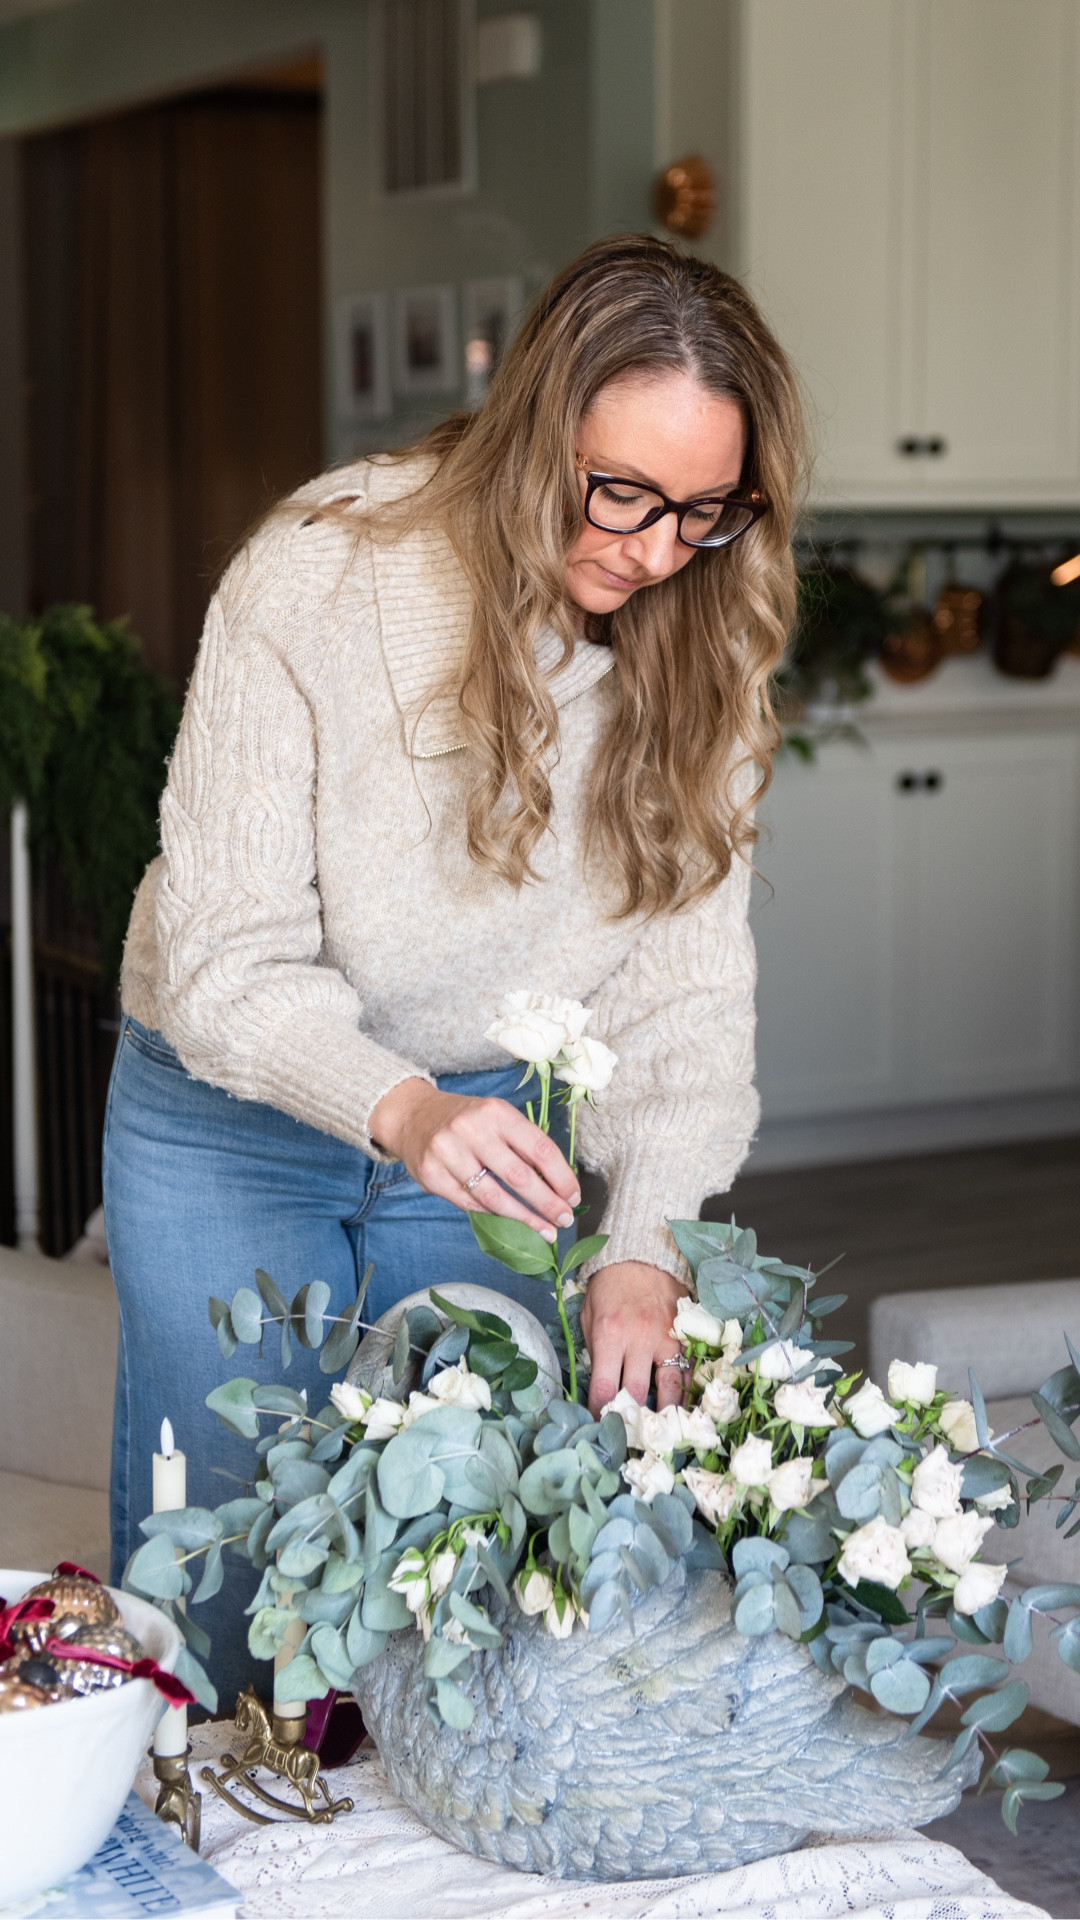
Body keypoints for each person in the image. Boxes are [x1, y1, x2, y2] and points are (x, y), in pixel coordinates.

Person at [104, 233, 805, 1701]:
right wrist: (403, 1110)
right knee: (223, 1547)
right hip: (232, 1109)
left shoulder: (706, 643)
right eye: (619, 492)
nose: (654, 549)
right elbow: (226, 960)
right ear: (534, 428)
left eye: (703, 511)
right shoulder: (322, 577)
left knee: (452, 1567)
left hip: (491, 1124)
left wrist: (642, 1249)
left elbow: (686, 1009)